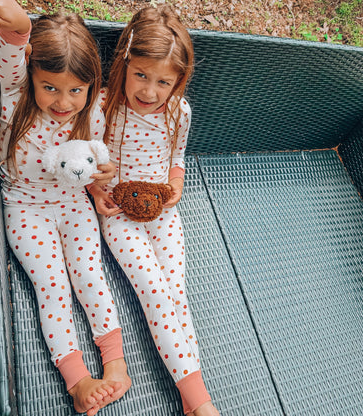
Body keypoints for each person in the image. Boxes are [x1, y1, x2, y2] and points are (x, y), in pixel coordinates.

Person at [0, 0, 131, 414]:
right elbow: (12, 57)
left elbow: (92, 170)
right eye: (50, 87)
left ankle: (116, 363)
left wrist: (101, 182)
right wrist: (18, 29)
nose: (63, 101)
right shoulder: (16, 99)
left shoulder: (90, 117)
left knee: (90, 276)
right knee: (53, 288)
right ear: (33, 79)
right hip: (26, 207)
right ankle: (77, 378)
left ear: (90, 87)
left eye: (76, 90)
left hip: (73, 207)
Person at [89, 5, 220, 416]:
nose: (149, 91)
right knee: (155, 291)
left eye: (163, 81)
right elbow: (85, 163)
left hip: (162, 211)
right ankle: (202, 404)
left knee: (177, 293)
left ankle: (189, 397)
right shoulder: (104, 108)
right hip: (119, 215)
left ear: (179, 80)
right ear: (125, 65)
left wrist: (177, 185)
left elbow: (176, 158)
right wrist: (96, 191)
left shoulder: (179, 113)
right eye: (141, 75)